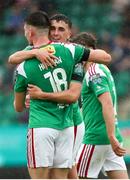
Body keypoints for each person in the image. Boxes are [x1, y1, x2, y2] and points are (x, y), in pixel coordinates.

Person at [9, 13, 111, 179]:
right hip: (62, 122)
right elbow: (13, 58)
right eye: (53, 29)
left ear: (70, 34)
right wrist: (36, 53)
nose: (56, 33)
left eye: (61, 29)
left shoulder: (72, 53)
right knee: (63, 172)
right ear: (47, 31)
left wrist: (40, 95)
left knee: (69, 170)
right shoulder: (50, 51)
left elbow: (72, 95)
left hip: (71, 119)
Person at [70, 32, 129, 179]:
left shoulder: (94, 71)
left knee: (75, 176)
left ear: (89, 50)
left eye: (80, 50)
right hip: (110, 137)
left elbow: (107, 103)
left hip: (96, 137)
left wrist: (109, 135)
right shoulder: (102, 70)